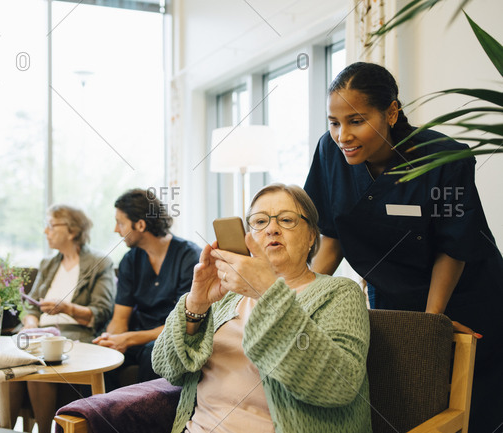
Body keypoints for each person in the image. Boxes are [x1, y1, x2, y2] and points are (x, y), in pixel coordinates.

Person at [304, 61, 503, 432]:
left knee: (472, 411)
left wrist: (432, 325)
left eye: (356, 120)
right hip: (391, 295)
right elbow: (332, 237)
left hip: (463, 296)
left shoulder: (445, 159)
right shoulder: (329, 154)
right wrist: (301, 299)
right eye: (334, 122)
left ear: (392, 112)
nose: (342, 135)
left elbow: (454, 247)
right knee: (400, 406)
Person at [152, 184, 372, 433]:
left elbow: (340, 386)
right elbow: (167, 367)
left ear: (312, 236)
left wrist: (268, 293)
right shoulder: (227, 296)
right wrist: (196, 305)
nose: (272, 229)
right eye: (259, 221)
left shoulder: (339, 292)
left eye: (287, 220)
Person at [8, 204, 116, 433]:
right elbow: (30, 306)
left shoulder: (100, 263)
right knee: (8, 360)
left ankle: (44, 430)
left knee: (39, 357)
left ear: (72, 231)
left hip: (74, 334)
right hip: (37, 333)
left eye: (51, 225)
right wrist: (31, 325)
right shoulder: (49, 263)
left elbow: (102, 311)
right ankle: (5, 428)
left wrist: (67, 308)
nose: (46, 231)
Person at [93, 188, 201, 389]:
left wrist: (128, 339)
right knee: (99, 357)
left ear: (140, 225)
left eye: (120, 222)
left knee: (154, 353)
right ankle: (95, 419)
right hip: (138, 336)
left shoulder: (189, 257)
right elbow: (120, 319)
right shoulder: (130, 260)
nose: (116, 230)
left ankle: (145, 419)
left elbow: (183, 325)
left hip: (174, 336)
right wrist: (110, 340)